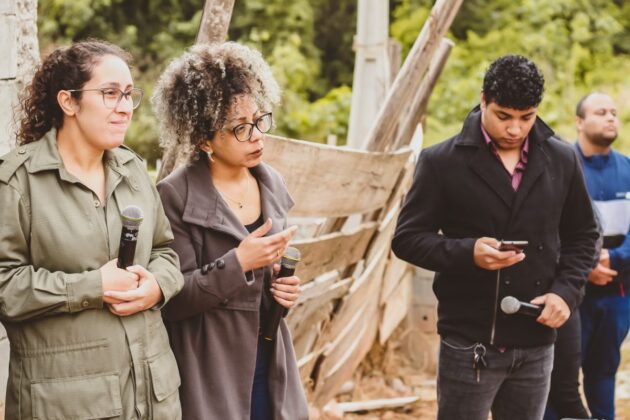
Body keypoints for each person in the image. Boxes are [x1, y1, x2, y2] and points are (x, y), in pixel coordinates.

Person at [391, 55, 599, 420]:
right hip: (469, 341)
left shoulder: (562, 158)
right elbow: (407, 238)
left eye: (527, 117)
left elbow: (583, 236)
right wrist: (467, 252)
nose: (516, 129)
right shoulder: (441, 162)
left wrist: (566, 292)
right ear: (484, 99)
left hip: (536, 341)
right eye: (504, 116)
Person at [0, 39, 184, 419]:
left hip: (153, 398)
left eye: (129, 95)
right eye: (110, 93)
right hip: (65, 405)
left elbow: (166, 250)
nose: (124, 108)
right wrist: (91, 287)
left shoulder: (133, 170)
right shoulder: (17, 182)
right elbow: (4, 285)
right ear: (68, 102)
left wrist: (158, 286)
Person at [153, 42, 309, 420]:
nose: (257, 136)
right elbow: (174, 299)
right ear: (204, 139)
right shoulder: (174, 195)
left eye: (259, 120)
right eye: (240, 128)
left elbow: (265, 280)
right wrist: (238, 262)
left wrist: (283, 289)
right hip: (210, 368)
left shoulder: (272, 182)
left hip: (269, 356)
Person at [574, 92, 629, 420]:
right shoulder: (562, 165)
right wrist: (587, 266)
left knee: (604, 370)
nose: (610, 118)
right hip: (572, 293)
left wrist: (616, 259)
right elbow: (550, 229)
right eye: (600, 112)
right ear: (579, 122)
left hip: (618, 292)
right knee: (560, 374)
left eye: (614, 112)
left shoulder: (627, 168)